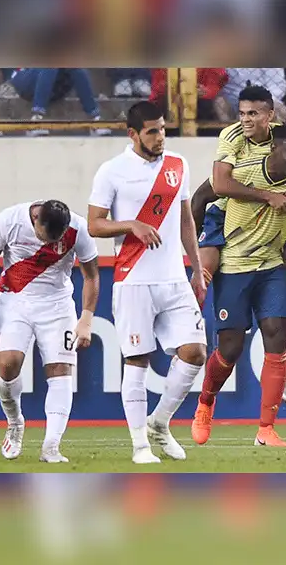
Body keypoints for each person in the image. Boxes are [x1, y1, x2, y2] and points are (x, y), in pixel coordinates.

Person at [193, 124, 286, 448]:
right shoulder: (241, 173)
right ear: (273, 149)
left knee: (274, 331)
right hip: (235, 265)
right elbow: (200, 196)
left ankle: (266, 429)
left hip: (271, 265)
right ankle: (205, 403)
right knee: (230, 348)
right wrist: (194, 243)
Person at [87, 101, 208, 465]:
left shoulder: (178, 165)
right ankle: (141, 445)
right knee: (137, 361)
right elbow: (94, 224)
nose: (160, 138)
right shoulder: (112, 171)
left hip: (173, 278)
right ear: (133, 134)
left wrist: (198, 269)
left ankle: (160, 422)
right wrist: (131, 225)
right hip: (133, 279)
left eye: (163, 130)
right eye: (152, 131)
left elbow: (186, 219)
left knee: (195, 352)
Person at [191, 85, 286, 405]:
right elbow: (213, 189)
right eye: (242, 113)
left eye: (253, 114)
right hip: (224, 217)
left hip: (266, 227)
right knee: (203, 271)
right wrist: (192, 244)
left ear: (269, 115)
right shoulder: (232, 138)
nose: (245, 120)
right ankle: (187, 333)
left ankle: (284, 362)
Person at [0, 199, 100, 463]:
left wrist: (86, 319)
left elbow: (91, 275)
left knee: (60, 371)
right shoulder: (9, 220)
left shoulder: (78, 228)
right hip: (14, 301)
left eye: (57, 237)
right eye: (46, 236)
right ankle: (15, 422)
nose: (50, 243)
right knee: (8, 366)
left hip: (57, 305)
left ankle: (51, 447)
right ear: (35, 221)